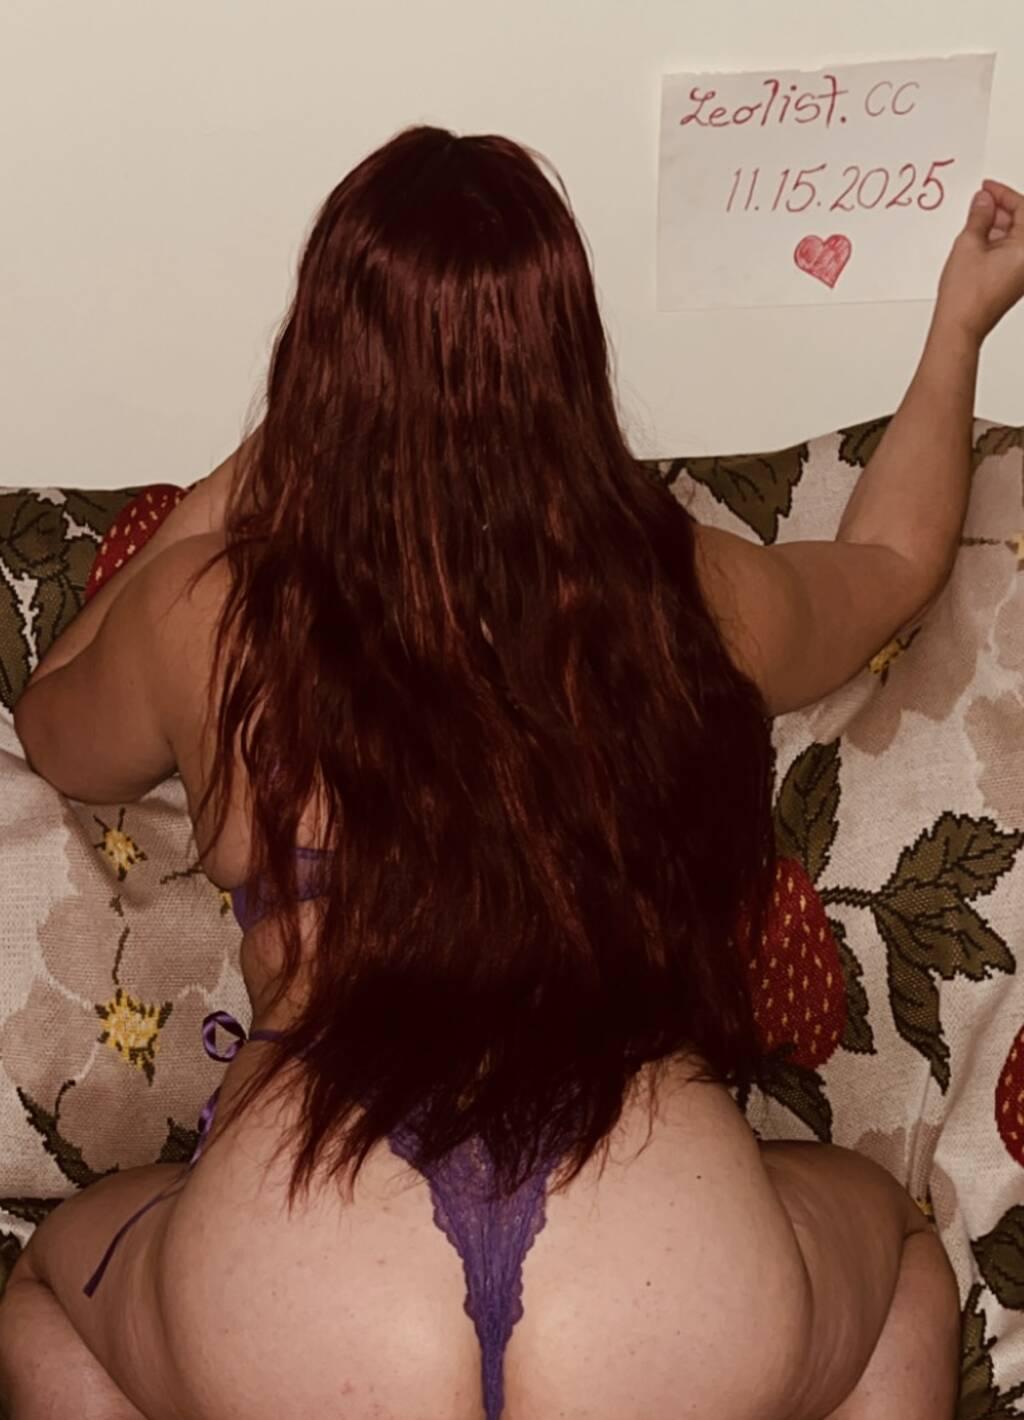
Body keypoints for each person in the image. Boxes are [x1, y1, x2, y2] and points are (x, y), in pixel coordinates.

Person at [1, 126, 1021, 1420]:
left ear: (318, 357)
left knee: (48, 1290)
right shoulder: (685, 591)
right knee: (902, 1260)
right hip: (661, 1247)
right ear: (568, 356)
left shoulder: (215, 613)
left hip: (304, 1258)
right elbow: (892, 566)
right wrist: (959, 327)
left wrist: (248, 474)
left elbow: (54, 727)